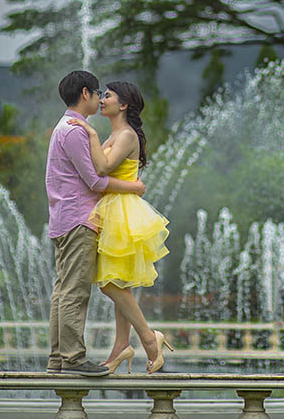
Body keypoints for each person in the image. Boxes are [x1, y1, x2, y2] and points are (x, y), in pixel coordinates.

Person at [66, 80, 174, 374]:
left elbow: (101, 167)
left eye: (108, 96)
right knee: (120, 282)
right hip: (114, 209)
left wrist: (88, 133)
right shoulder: (117, 133)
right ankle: (121, 346)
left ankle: (150, 340)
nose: (102, 100)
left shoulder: (125, 135)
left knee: (110, 283)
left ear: (123, 105)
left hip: (120, 212)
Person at [46, 70, 146, 376]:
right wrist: (135, 187)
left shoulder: (65, 127)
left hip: (65, 217)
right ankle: (74, 358)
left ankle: (58, 358)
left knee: (63, 290)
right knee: (74, 292)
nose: (101, 98)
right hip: (78, 218)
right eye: (98, 93)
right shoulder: (76, 130)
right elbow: (94, 179)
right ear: (86, 93)